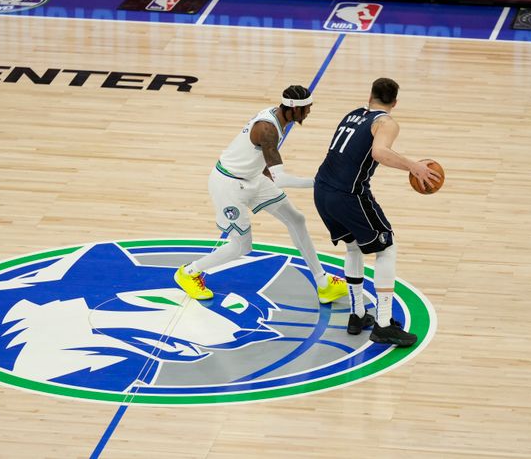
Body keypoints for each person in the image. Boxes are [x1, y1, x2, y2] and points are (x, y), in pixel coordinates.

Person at [174, 85, 348, 305]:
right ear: (294, 109)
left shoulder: (279, 119)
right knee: (242, 246)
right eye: (307, 108)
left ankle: (324, 285)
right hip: (229, 185)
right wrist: (320, 183)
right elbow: (281, 179)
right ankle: (189, 272)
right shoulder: (268, 129)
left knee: (296, 219)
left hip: (253, 179)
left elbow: (262, 162)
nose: (309, 112)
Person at [314, 78, 441, 347]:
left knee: (353, 248)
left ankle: (357, 314)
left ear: (370, 96)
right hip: (348, 195)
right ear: (395, 102)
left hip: (322, 190)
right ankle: (383, 324)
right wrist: (413, 166)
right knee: (387, 248)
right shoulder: (385, 122)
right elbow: (380, 152)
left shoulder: (353, 114)